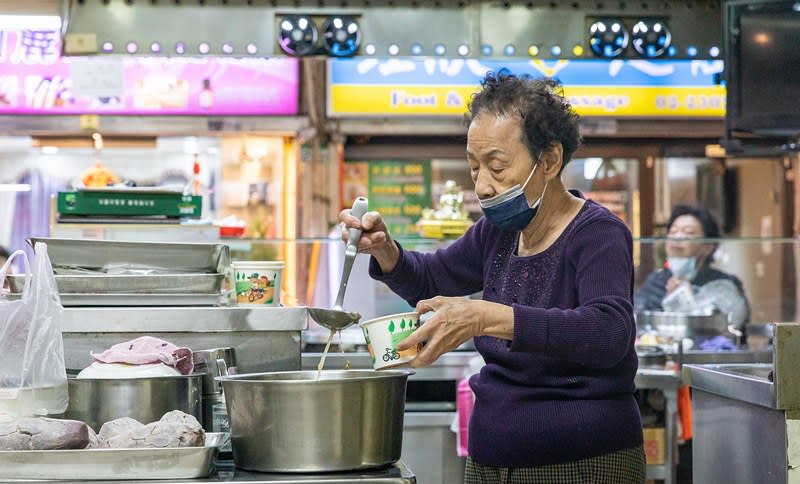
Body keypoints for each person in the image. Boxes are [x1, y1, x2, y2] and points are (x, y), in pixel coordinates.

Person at [340, 72, 645, 483]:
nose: (482, 185)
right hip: (490, 460)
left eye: (497, 166)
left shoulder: (597, 234)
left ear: (550, 160)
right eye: (474, 167)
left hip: (582, 462)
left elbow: (609, 332)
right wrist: (385, 249)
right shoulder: (498, 232)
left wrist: (486, 317)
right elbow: (431, 278)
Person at [634, 204, 750, 328]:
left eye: (688, 233)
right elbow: (640, 323)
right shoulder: (655, 282)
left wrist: (685, 299)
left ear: (707, 247)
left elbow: (732, 326)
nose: (677, 237)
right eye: (673, 232)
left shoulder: (724, 284)